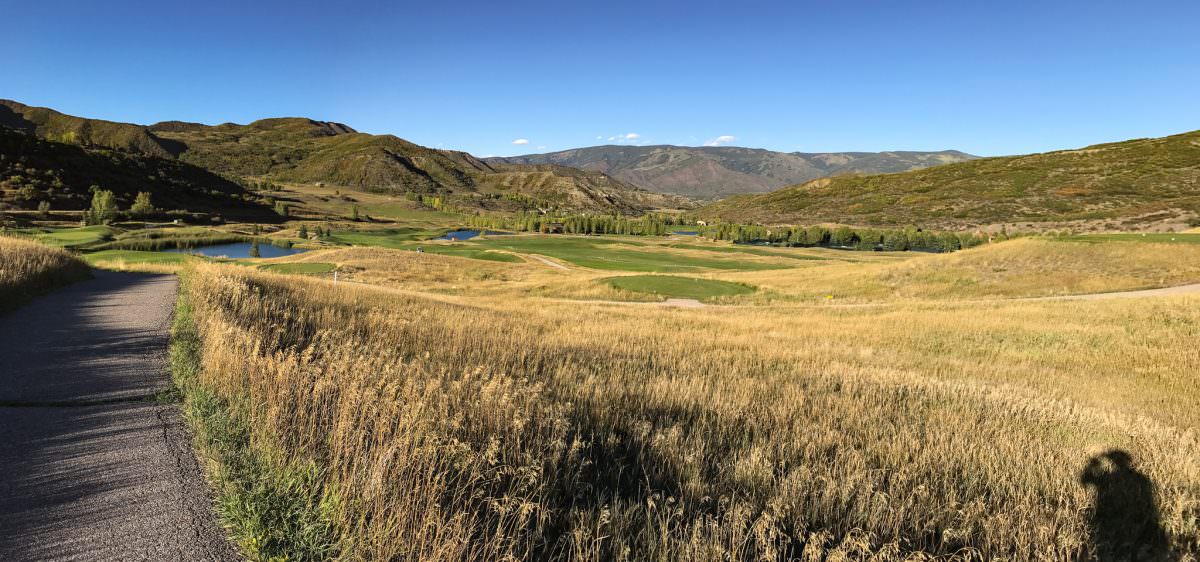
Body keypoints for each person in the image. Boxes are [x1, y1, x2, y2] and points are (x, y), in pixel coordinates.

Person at [1079, 450, 1171, 560]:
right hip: (1135, 526)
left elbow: (1084, 480)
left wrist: (1092, 465)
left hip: (1116, 526)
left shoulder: (1110, 477)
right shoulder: (1141, 479)